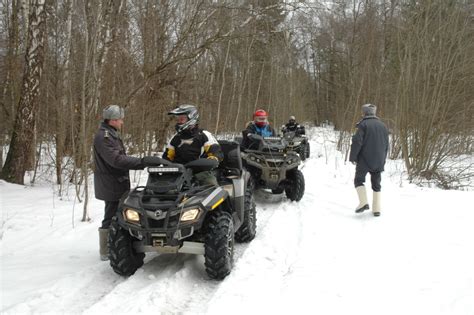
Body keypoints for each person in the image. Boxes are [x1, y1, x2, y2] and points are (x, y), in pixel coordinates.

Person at [93, 105, 146, 261]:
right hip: (111, 183)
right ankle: (106, 250)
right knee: (111, 214)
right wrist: (141, 162)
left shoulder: (111, 134)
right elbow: (116, 160)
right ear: (113, 120)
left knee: (116, 213)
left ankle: (114, 246)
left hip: (115, 181)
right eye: (120, 119)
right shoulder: (105, 137)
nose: (122, 122)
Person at [162, 104, 222, 186]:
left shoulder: (203, 135)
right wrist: (166, 165)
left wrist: (212, 159)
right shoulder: (175, 138)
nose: (179, 121)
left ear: (191, 118)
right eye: (178, 119)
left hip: (199, 172)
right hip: (178, 173)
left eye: (182, 119)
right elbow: (167, 157)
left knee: (210, 185)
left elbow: (216, 152)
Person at [349, 104, 389, 217]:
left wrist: (353, 157)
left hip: (364, 160)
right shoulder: (383, 125)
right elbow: (386, 145)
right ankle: (377, 209)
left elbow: (357, 142)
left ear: (365, 113)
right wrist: (383, 159)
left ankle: (363, 202)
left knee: (358, 180)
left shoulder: (363, 125)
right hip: (379, 159)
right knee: (376, 184)